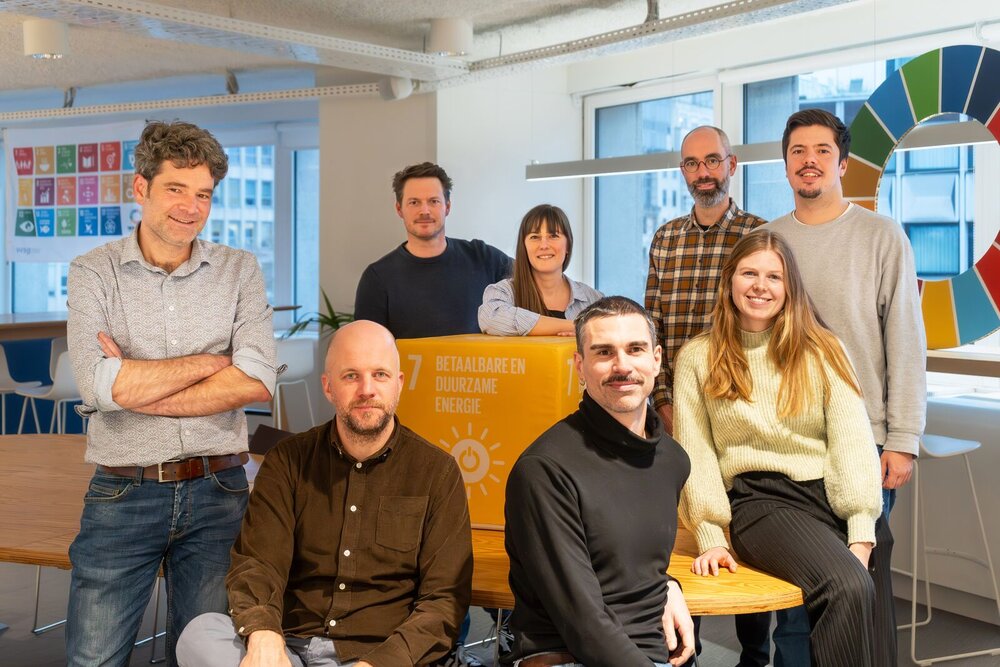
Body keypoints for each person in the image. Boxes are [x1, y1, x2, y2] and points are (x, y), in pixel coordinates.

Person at [65, 120, 277, 665]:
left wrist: (132, 381)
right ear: (142, 188)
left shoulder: (239, 270)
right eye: (175, 190)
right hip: (122, 494)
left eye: (203, 194)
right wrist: (212, 364)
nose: (190, 207)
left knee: (207, 657)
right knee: (94, 659)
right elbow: (95, 383)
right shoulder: (94, 272)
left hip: (220, 491)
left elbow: (256, 380)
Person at [176, 320, 473, 667]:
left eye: (380, 375)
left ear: (399, 384)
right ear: (328, 387)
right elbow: (259, 563)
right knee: (200, 634)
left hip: (377, 655)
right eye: (351, 376)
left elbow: (443, 602)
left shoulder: (437, 472)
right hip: (288, 651)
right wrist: (263, 634)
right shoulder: (288, 461)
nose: (367, 389)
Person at [673, 231, 894, 667]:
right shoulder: (699, 356)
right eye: (749, 273)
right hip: (761, 500)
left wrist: (862, 531)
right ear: (730, 282)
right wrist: (711, 536)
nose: (761, 285)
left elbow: (851, 441)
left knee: (872, 600)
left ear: (789, 286)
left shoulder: (823, 349)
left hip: (830, 493)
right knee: (847, 586)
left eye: (774, 276)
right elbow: (695, 454)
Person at [761, 107, 925, 664]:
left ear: (843, 163)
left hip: (865, 442)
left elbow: (905, 340)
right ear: (785, 167)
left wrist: (902, 439)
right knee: (793, 602)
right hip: (785, 443)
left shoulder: (881, 235)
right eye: (798, 153)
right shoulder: (768, 241)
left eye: (822, 152)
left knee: (858, 590)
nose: (810, 162)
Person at [504, 296, 696, 667]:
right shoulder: (545, 469)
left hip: (652, 651)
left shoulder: (672, 460)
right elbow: (583, 622)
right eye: (604, 352)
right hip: (569, 655)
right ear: (580, 365)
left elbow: (623, 556)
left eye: (635, 349)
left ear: (656, 359)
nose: (622, 366)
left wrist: (669, 584)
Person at [644, 125, 770, 666]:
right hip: (673, 416)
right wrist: (666, 402)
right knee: (681, 537)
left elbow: (770, 328)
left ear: (732, 165)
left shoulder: (759, 236)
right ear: (683, 172)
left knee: (744, 533)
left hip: (739, 414)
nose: (703, 172)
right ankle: (682, 649)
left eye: (712, 161)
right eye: (693, 164)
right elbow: (654, 328)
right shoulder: (666, 238)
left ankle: (753, 654)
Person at [354, 162, 512, 338]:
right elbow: (368, 349)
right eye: (414, 202)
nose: (424, 211)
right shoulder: (378, 278)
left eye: (433, 201)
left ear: (448, 207)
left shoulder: (483, 258)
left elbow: (535, 281)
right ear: (399, 209)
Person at [479, 204, 601, 336]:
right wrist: (579, 326)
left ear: (568, 246)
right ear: (524, 247)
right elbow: (491, 319)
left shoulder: (593, 299)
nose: (544, 245)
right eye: (535, 237)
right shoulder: (503, 291)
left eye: (553, 236)